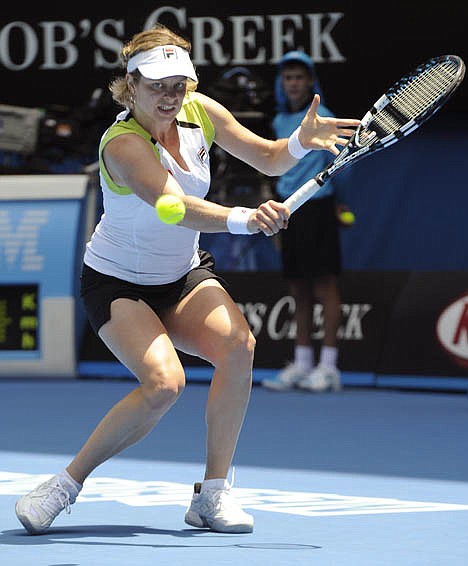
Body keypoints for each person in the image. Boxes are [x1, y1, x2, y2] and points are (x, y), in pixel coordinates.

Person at [15, 26, 359, 535]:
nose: (171, 95)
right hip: (117, 285)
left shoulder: (200, 110)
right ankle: (65, 484)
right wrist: (244, 218)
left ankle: (213, 494)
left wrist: (298, 143)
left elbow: (267, 156)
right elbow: (173, 207)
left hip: (179, 277)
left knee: (239, 345)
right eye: (157, 85)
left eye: (180, 83)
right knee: (163, 384)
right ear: (130, 85)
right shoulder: (122, 144)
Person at [262, 51, 354, 393]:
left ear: (310, 82)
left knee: (324, 286)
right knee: (298, 287)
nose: (294, 83)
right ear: (281, 84)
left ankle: (329, 366)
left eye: (299, 77)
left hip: (319, 208)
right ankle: (302, 362)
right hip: (291, 211)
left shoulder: (324, 118)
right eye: (288, 78)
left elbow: (343, 164)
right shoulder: (278, 122)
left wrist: (341, 202)